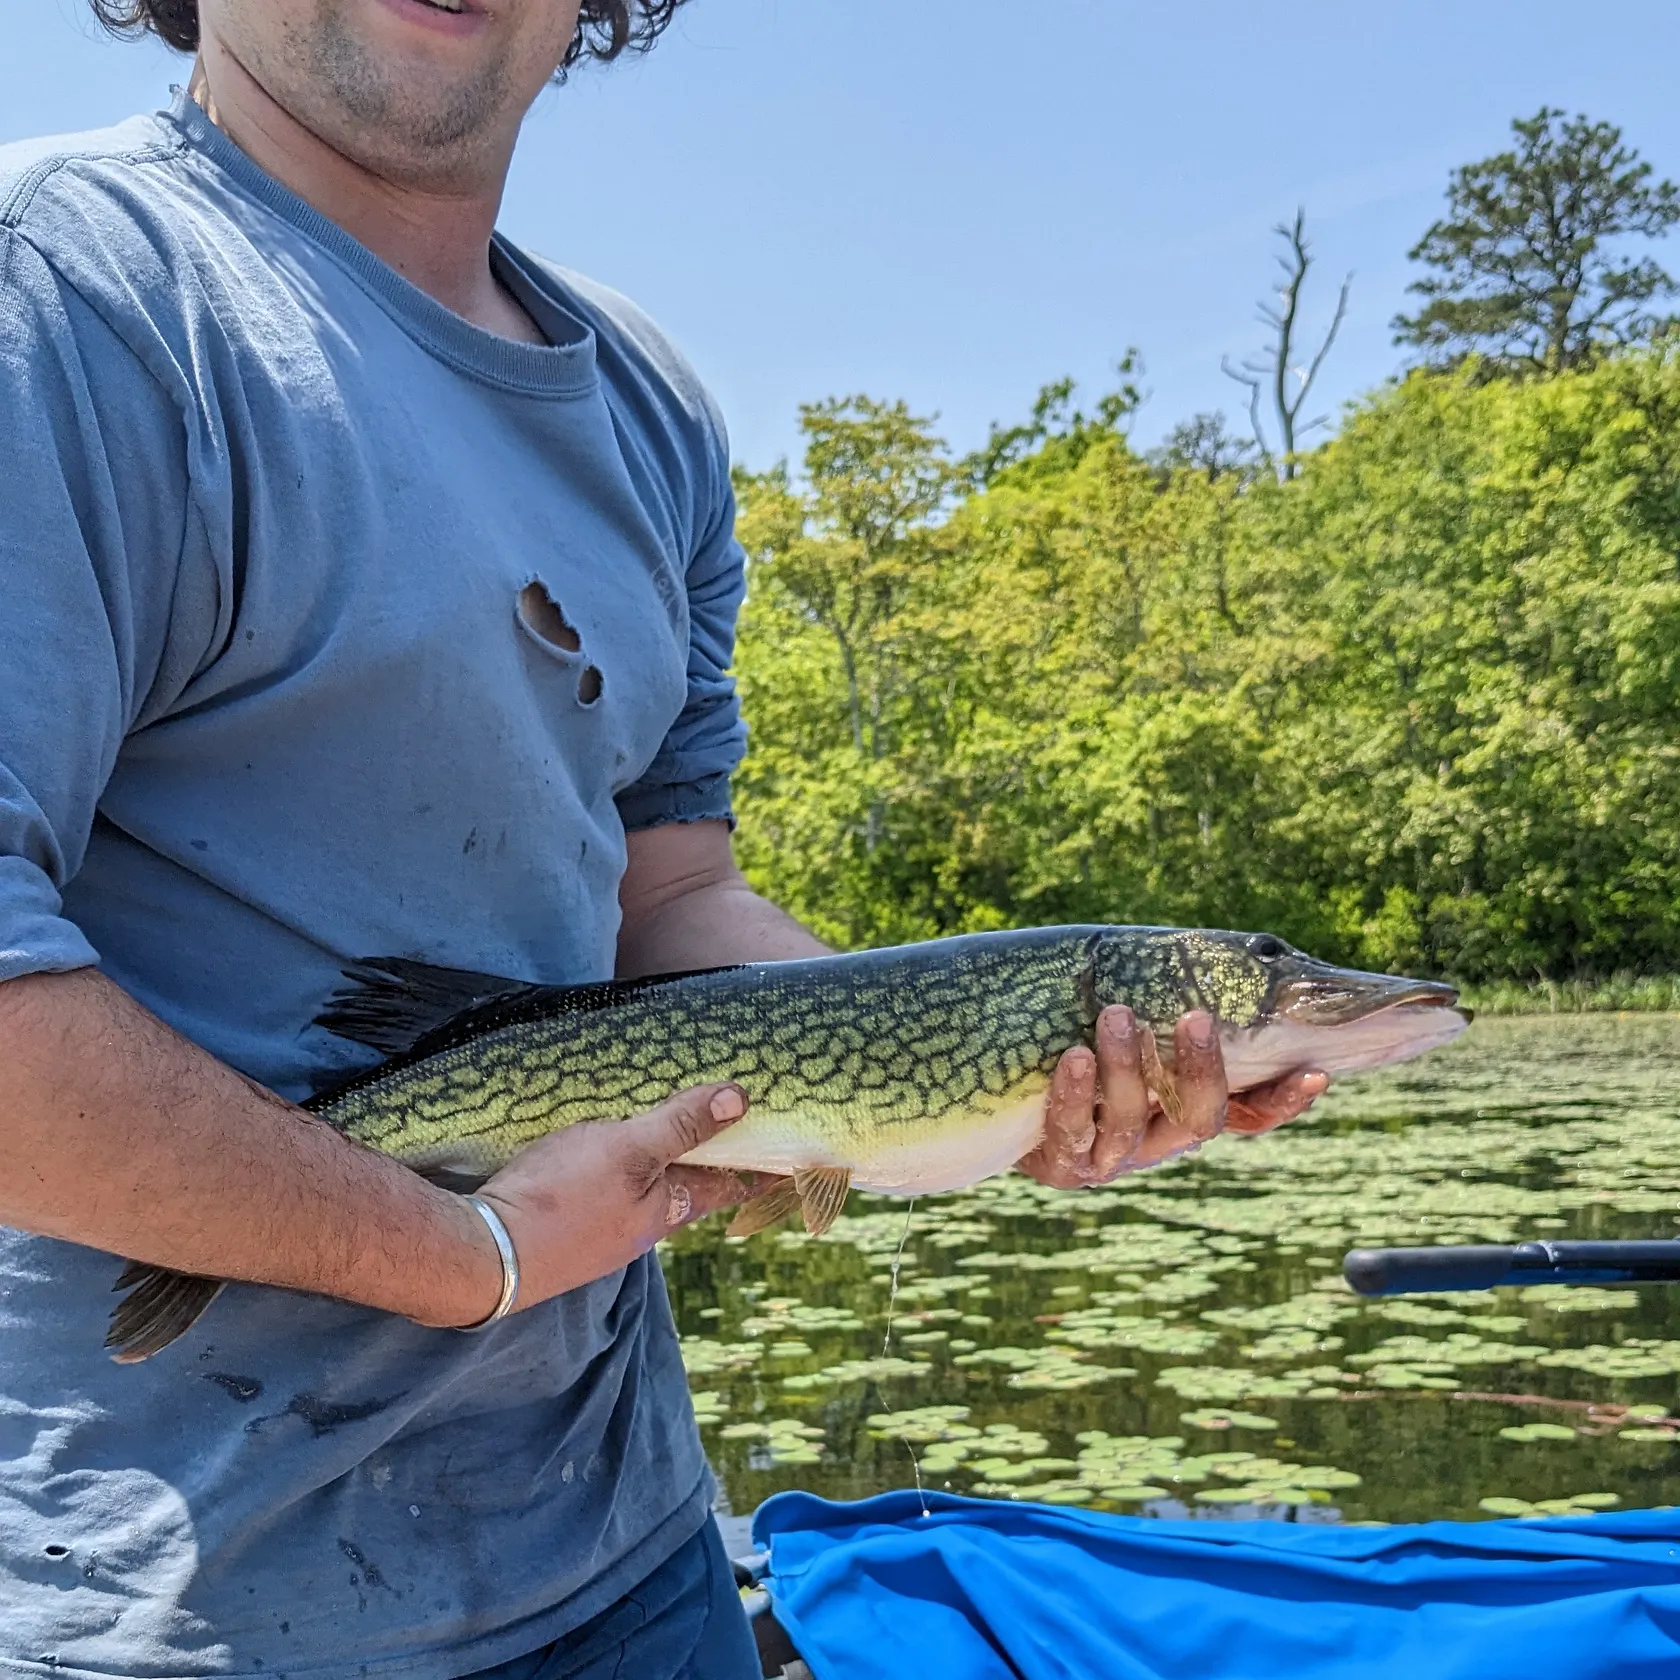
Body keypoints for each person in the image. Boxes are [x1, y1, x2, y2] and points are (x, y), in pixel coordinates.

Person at [0, 3, 1331, 1675]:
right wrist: (463, 1252)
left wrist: (986, 1082)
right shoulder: (57, 296)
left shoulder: (645, 401)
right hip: (176, 1620)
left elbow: (674, 903)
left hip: (629, 1562)